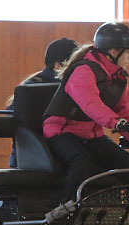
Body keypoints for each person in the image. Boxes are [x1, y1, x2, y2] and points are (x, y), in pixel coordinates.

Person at [42, 22, 129, 204]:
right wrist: (116, 123)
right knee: (81, 161)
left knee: (126, 162)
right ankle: (66, 208)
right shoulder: (83, 71)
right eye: (128, 52)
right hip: (62, 131)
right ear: (114, 52)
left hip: (90, 135)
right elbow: (91, 105)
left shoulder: (118, 79)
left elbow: (127, 114)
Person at [7, 37, 79, 166]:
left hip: (55, 152)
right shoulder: (33, 87)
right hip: (35, 155)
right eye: (75, 64)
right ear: (58, 65)